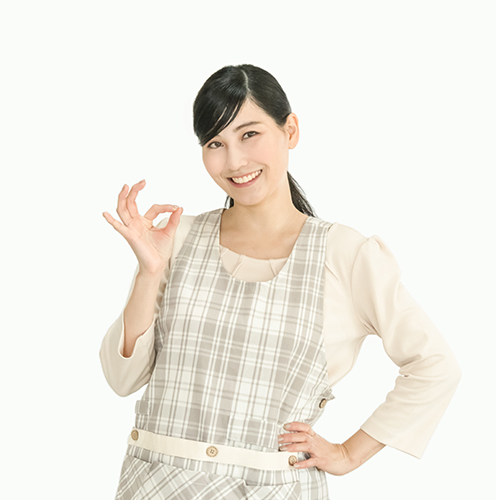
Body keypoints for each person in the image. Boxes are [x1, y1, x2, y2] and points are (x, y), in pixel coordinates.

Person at [99, 64, 462, 500]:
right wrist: (150, 272)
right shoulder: (176, 238)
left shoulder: (344, 254)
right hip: (152, 487)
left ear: (290, 130)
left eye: (249, 134)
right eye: (215, 143)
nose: (235, 161)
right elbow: (122, 379)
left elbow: (435, 365)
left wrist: (348, 454)